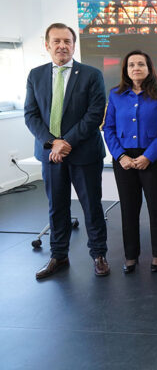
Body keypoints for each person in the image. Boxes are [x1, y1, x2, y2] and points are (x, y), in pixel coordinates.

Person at [25, 22, 110, 279]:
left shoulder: (91, 74)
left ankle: (99, 255)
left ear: (74, 45)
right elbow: (31, 115)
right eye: (57, 41)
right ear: (47, 45)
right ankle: (58, 255)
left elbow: (95, 114)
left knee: (91, 206)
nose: (62, 46)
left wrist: (66, 142)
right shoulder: (35, 75)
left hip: (84, 153)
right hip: (50, 154)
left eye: (67, 41)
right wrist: (53, 143)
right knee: (57, 207)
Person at [103, 50, 157, 273]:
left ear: (149, 68)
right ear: (126, 70)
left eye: (141, 64)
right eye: (131, 64)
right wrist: (120, 156)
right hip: (123, 159)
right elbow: (109, 129)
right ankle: (131, 255)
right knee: (129, 209)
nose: (136, 68)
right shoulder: (115, 95)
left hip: (153, 158)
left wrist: (148, 157)